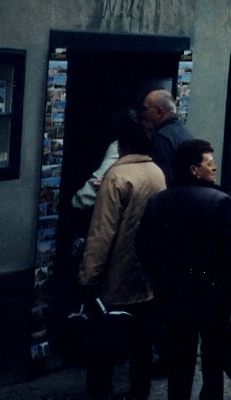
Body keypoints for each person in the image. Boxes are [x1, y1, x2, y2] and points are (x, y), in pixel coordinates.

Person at [136, 139, 231, 400]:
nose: (215, 168)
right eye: (209, 164)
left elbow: (143, 245)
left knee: (180, 362)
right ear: (193, 169)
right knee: (213, 362)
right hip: (213, 298)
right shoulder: (220, 201)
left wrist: (159, 279)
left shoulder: (159, 202)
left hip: (175, 295)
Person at [77, 111, 166, 400]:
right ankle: (139, 393)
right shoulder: (157, 173)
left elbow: (102, 233)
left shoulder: (116, 176)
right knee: (141, 345)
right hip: (146, 278)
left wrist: (88, 276)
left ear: (122, 146)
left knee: (103, 348)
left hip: (116, 278)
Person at [141, 89, 193, 186]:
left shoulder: (162, 138)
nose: (142, 114)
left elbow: (162, 180)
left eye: (145, 109)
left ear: (159, 112)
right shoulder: (185, 133)